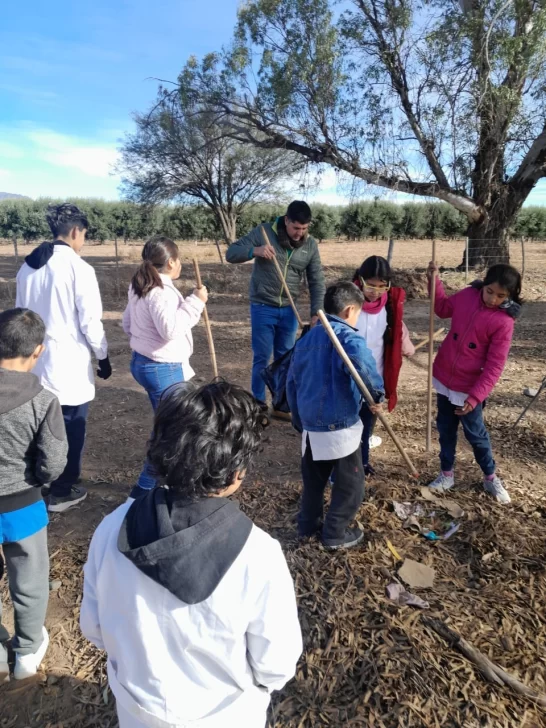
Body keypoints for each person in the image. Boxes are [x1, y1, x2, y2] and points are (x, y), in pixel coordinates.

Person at [80, 381, 302, 728]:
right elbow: (276, 663)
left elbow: (94, 627)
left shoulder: (111, 528)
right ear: (236, 473)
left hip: (137, 709)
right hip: (227, 715)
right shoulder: (258, 555)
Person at [16, 203, 110, 513]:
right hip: (67, 364)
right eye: (84, 234)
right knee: (70, 426)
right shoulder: (78, 268)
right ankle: (63, 489)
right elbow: (90, 322)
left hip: (33, 360)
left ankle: (38, 480)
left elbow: (20, 316)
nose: (83, 240)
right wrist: (103, 356)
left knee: (37, 423)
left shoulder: (29, 266)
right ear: (74, 231)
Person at [287, 281, 385, 550]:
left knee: (314, 482)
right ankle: (334, 534)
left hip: (310, 427)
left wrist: (298, 419)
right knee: (350, 486)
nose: (357, 320)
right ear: (349, 310)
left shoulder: (306, 339)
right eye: (358, 315)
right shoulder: (348, 337)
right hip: (339, 426)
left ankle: (306, 526)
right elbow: (365, 367)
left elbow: (291, 383)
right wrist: (376, 396)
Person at [0, 308, 68, 681]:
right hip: (23, 505)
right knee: (29, 579)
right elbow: (54, 462)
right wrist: (36, 478)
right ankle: (26, 654)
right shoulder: (43, 401)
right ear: (38, 351)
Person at [426, 263, 523, 504]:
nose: (493, 299)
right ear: (483, 284)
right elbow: (441, 308)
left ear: (510, 296)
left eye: (501, 296)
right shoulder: (467, 295)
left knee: (476, 435)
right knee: (446, 429)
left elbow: (494, 366)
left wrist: (475, 397)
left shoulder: (503, 322)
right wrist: (434, 280)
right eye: (489, 291)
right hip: (445, 376)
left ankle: (490, 476)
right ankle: (446, 474)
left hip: (470, 388)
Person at [122, 236, 208, 496]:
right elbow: (170, 329)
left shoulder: (141, 285)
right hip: (162, 368)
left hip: (145, 363)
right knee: (172, 431)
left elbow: (127, 323)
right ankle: (143, 491)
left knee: (170, 425)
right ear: (171, 262)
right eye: (178, 259)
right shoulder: (160, 291)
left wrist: (143, 341)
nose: (180, 263)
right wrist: (196, 301)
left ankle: (169, 480)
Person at [226, 201, 326, 406]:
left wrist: (317, 312)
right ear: (286, 220)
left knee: (285, 359)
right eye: (296, 228)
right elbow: (231, 253)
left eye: (305, 228)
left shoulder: (310, 245)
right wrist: (255, 250)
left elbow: (317, 280)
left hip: (289, 310)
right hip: (262, 307)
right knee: (261, 357)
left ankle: (281, 403)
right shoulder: (264, 232)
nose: (300, 233)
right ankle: (258, 403)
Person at [352, 256, 415, 475]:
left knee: (368, 421)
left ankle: (364, 462)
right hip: (349, 375)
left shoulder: (388, 304)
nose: (375, 291)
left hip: (375, 375)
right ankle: (344, 465)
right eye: (370, 285)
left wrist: (406, 345)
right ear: (360, 280)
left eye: (382, 286)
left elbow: (398, 327)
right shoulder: (348, 302)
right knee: (349, 422)